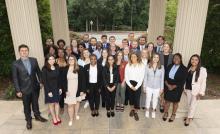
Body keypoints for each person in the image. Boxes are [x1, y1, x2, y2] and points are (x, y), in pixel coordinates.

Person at [12, 44, 47, 130]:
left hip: (35, 87)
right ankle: (28, 120)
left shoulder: (34, 60)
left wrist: (41, 82)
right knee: (26, 106)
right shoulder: (15, 64)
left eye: (26, 50)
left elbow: (38, 72)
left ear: (28, 51)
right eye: (22, 51)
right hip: (24, 90)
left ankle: (37, 116)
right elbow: (15, 78)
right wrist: (18, 90)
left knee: (35, 103)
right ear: (19, 52)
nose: (24, 52)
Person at [162, 53, 188, 122]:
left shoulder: (184, 69)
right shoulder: (169, 66)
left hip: (177, 88)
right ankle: (166, 113)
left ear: (180, 59)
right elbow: (165, 76)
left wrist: (173, 86)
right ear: (173, 59)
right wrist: (168, 85)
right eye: (174, 58)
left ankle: (173, 114)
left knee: (175, 102)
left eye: (178, 58)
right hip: (168, 86)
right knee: (167, 101)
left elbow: (183, 80)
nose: (176, 59)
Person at [184, 54, 207, 126]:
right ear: (190, 60)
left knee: (193, 105)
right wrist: (184, 88)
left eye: (196, 60)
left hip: (196, 91)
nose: (194, 61)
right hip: (188, 89)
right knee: (189, 104)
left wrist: (201, 93)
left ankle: (189, 118)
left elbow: (203, 82)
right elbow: (185, 80)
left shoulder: (202, 70)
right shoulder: (188, 68)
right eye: (192, 59)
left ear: (198, 61)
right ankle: (190, 116)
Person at [64, 55, 86, 126]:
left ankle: (76, 114)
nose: (71, 61)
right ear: (68, 60)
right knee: (70, 105)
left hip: (77, 88)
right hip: (69, 90)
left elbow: (83, 80)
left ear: (75, 60)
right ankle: (71, 119)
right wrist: (65, 90)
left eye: (72, 59)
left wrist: (82, 90)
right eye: (70, 59)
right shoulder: (65, 69)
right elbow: (62, 81)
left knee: (77, 102)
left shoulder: (79, 68)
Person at [42, 55, 62, 126]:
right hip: (50, 89)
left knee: (57, 103)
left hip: (56, 88)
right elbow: (44, 81)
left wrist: (60, 88)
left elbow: (59, 78)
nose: (51, 60)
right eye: (50, 59)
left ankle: (57, 116)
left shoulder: (57, 67)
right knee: (51, 104)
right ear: (47, 60)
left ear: (55, 59)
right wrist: (48, 91)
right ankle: (54, 117)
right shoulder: (44, 69)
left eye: (53, 59)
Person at [125, 52, 145, 121]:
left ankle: (136, 112)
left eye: (134, 56)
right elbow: (126, 76)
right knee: (131, 99)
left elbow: (142, 77)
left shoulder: (141, 65)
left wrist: (136, 87)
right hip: (129, 84)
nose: (133, 58)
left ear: (137, 57)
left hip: (138, 84)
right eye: (132, 57)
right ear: (130, 58)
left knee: (136, 99)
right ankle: (132, 110)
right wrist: (130, 86)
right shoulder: (128, 65)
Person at [143, 53, 164, 118]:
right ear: (152, 58)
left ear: (159, 59)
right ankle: (147, 110)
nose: (155, 58)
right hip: (148, 86)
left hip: (157, 87)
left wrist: (161, 88)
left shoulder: (162, 67)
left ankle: (153, 111)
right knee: (148, 99)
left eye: (157, 57)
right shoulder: (148, 66)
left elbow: (162, 78)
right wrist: (144, 86)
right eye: (154, 57)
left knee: (155, 99)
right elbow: (145, 77)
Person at [159, 42, 173, 113]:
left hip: (168, 76)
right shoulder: (159, 55)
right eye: (164, 46)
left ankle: (163, 103)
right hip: (160, 75)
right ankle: (161, 104)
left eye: (167, 47)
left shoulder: (172, 56)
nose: (165, 48)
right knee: (161, 90)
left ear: (169, 48)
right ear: (162, 47)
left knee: (166, 91)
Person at [56, 48, 68, 114]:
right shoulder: (55, 60)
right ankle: (62, 107)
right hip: (59, 80)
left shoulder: (67, 60)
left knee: (66, 93)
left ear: (64, 53)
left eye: (62, 52)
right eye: (59, 52)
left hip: (66, 79)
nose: (61, 53)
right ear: (57, 53)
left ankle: (69, 104)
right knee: (61, 94)